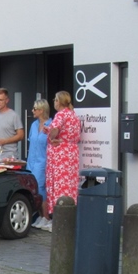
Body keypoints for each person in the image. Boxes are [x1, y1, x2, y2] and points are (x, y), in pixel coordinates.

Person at [45, 91, 81, 233]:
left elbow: (55, 129)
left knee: (59, 184)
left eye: (55, 99)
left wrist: (51, 136)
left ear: (59, 102)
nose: (54, 102)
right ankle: (71, 214)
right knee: (70, 184)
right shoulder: (74, 115)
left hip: (60, 154)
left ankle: (59, 217)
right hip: (72, 153)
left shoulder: (60, 115)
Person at [27, 99, 53, 230]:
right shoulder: (33, 125)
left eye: (35, 109)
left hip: (43, 161)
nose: (33, 111)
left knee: (41, 188)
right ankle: (40, 215)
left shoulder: (51, 125)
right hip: (31, 161)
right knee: (33, 189)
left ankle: (46, 217)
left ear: (41, 110)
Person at [0, 88, 24, 159]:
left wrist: (5, 141)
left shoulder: (14, 116)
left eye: (0, 100)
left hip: (9, 156)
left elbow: (21, 135)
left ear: (7, 100)